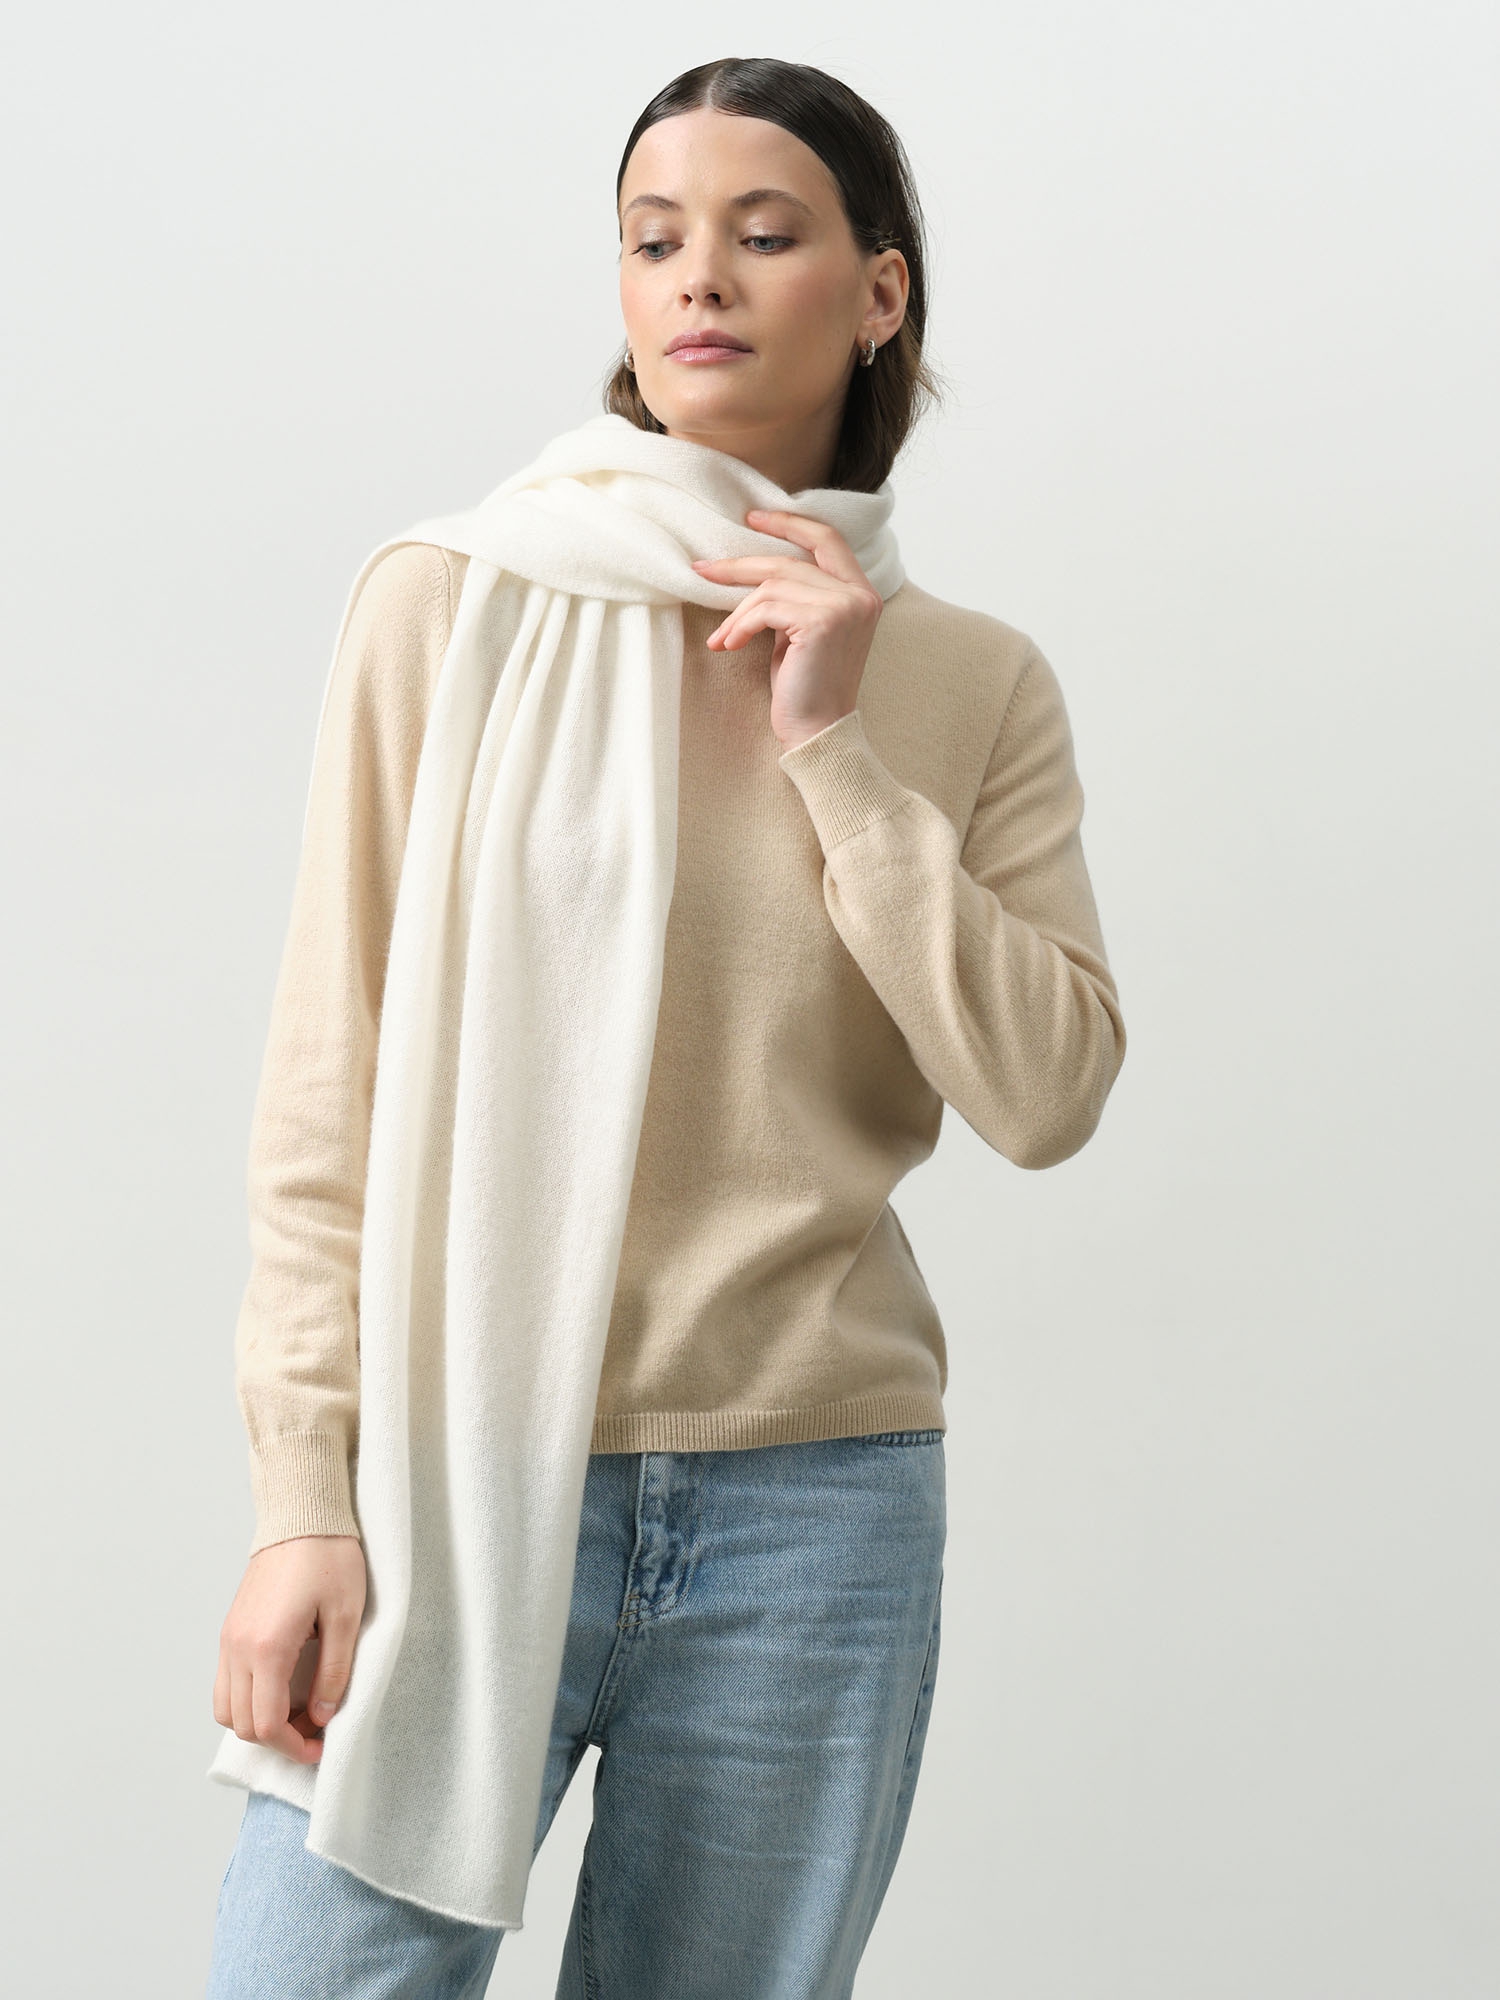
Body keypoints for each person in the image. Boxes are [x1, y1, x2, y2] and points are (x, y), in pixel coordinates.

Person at [204, 54, 1126, 2000]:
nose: (698, 276)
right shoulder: (450, 602)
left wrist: (834, 749)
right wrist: (302, 1503)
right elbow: (326, 1092)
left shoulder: (970, 682)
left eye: (762, 233)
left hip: (819, 1507)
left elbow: (1048, 1090)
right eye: (654, 239)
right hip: (457, 1475)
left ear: (879, 293)